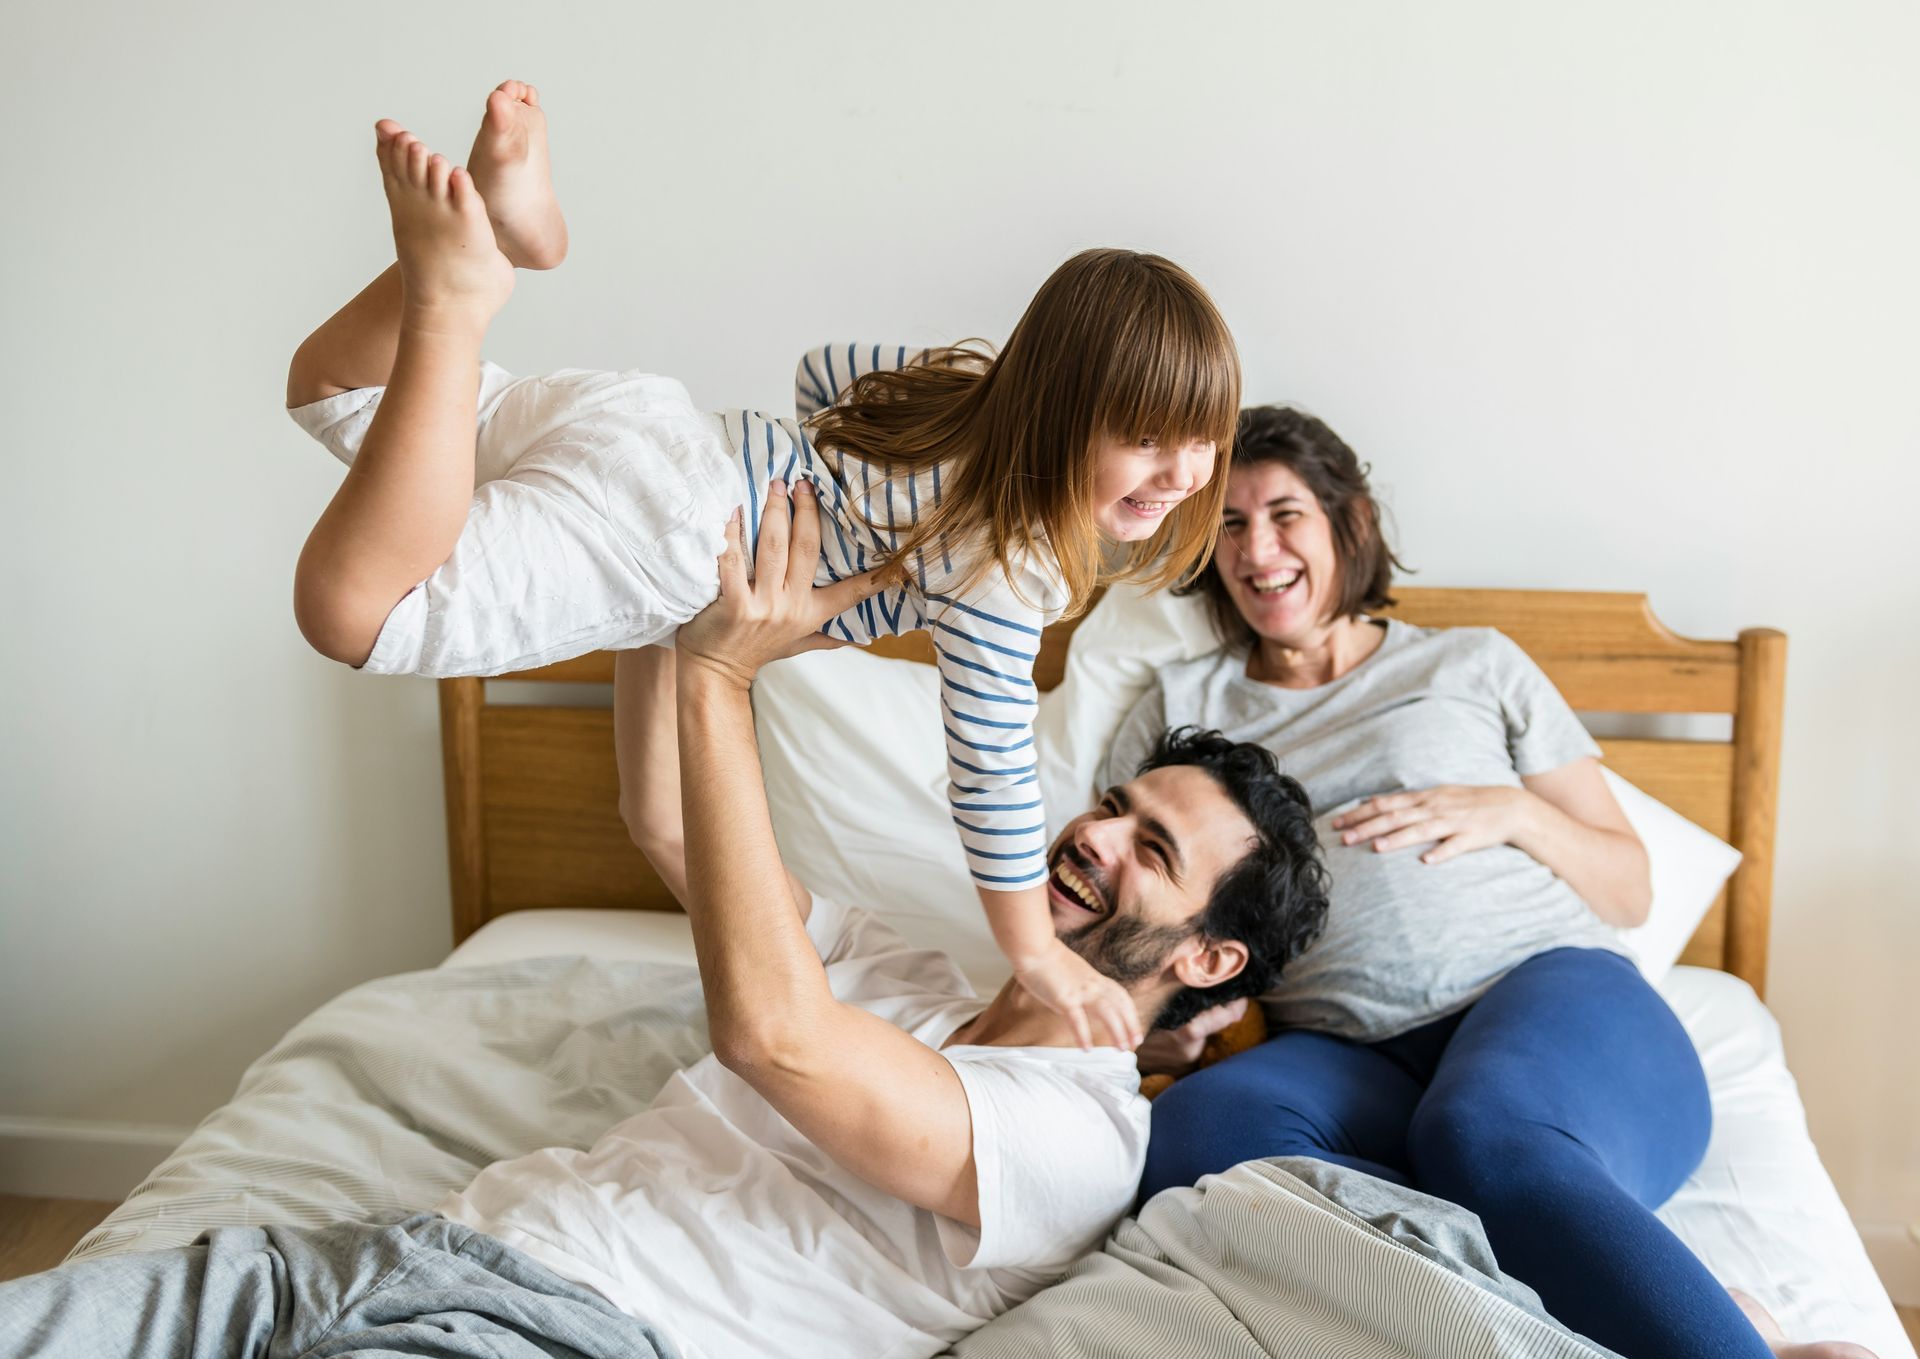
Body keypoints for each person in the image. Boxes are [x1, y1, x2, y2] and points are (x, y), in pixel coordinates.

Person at [0, 488, 1329, 1359]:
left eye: (1149, 848)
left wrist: (719, 675)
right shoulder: (913, 964)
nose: (1091, 834)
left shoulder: (1080, 1133)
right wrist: (662, 582)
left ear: (1208, 956)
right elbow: (672, 828)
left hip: (567, 1334)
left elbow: (775, 1036)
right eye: (1109, 803)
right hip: (408, 1244)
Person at [283, 81, 1240, 1055]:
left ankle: (491, 225)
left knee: (333, 386)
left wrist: (825, 510)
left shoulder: (958, 395)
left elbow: (823, 371)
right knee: (352, 610)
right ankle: (455, 296)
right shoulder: (1002, 565)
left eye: (1204, 441)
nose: (1183, 474)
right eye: (1150, 439)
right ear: (1064, 415)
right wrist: (1032, 952)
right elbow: (991, 770)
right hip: (673, 537)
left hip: (664, 428)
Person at [1112, 406, 1874, 1359]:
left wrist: (1513, 811)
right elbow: (1133, 890)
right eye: (1228, 523)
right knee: (1192, 1139)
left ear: (1349, 522)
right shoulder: (1184, 703)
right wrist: (1167, 1018)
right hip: (1349, 1049)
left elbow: (1631, 887)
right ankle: (1607, 1296)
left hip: (1553, 1001)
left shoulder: (1471, 663)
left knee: (1481, 1132)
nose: (1257, 547)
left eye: (1284, 512)